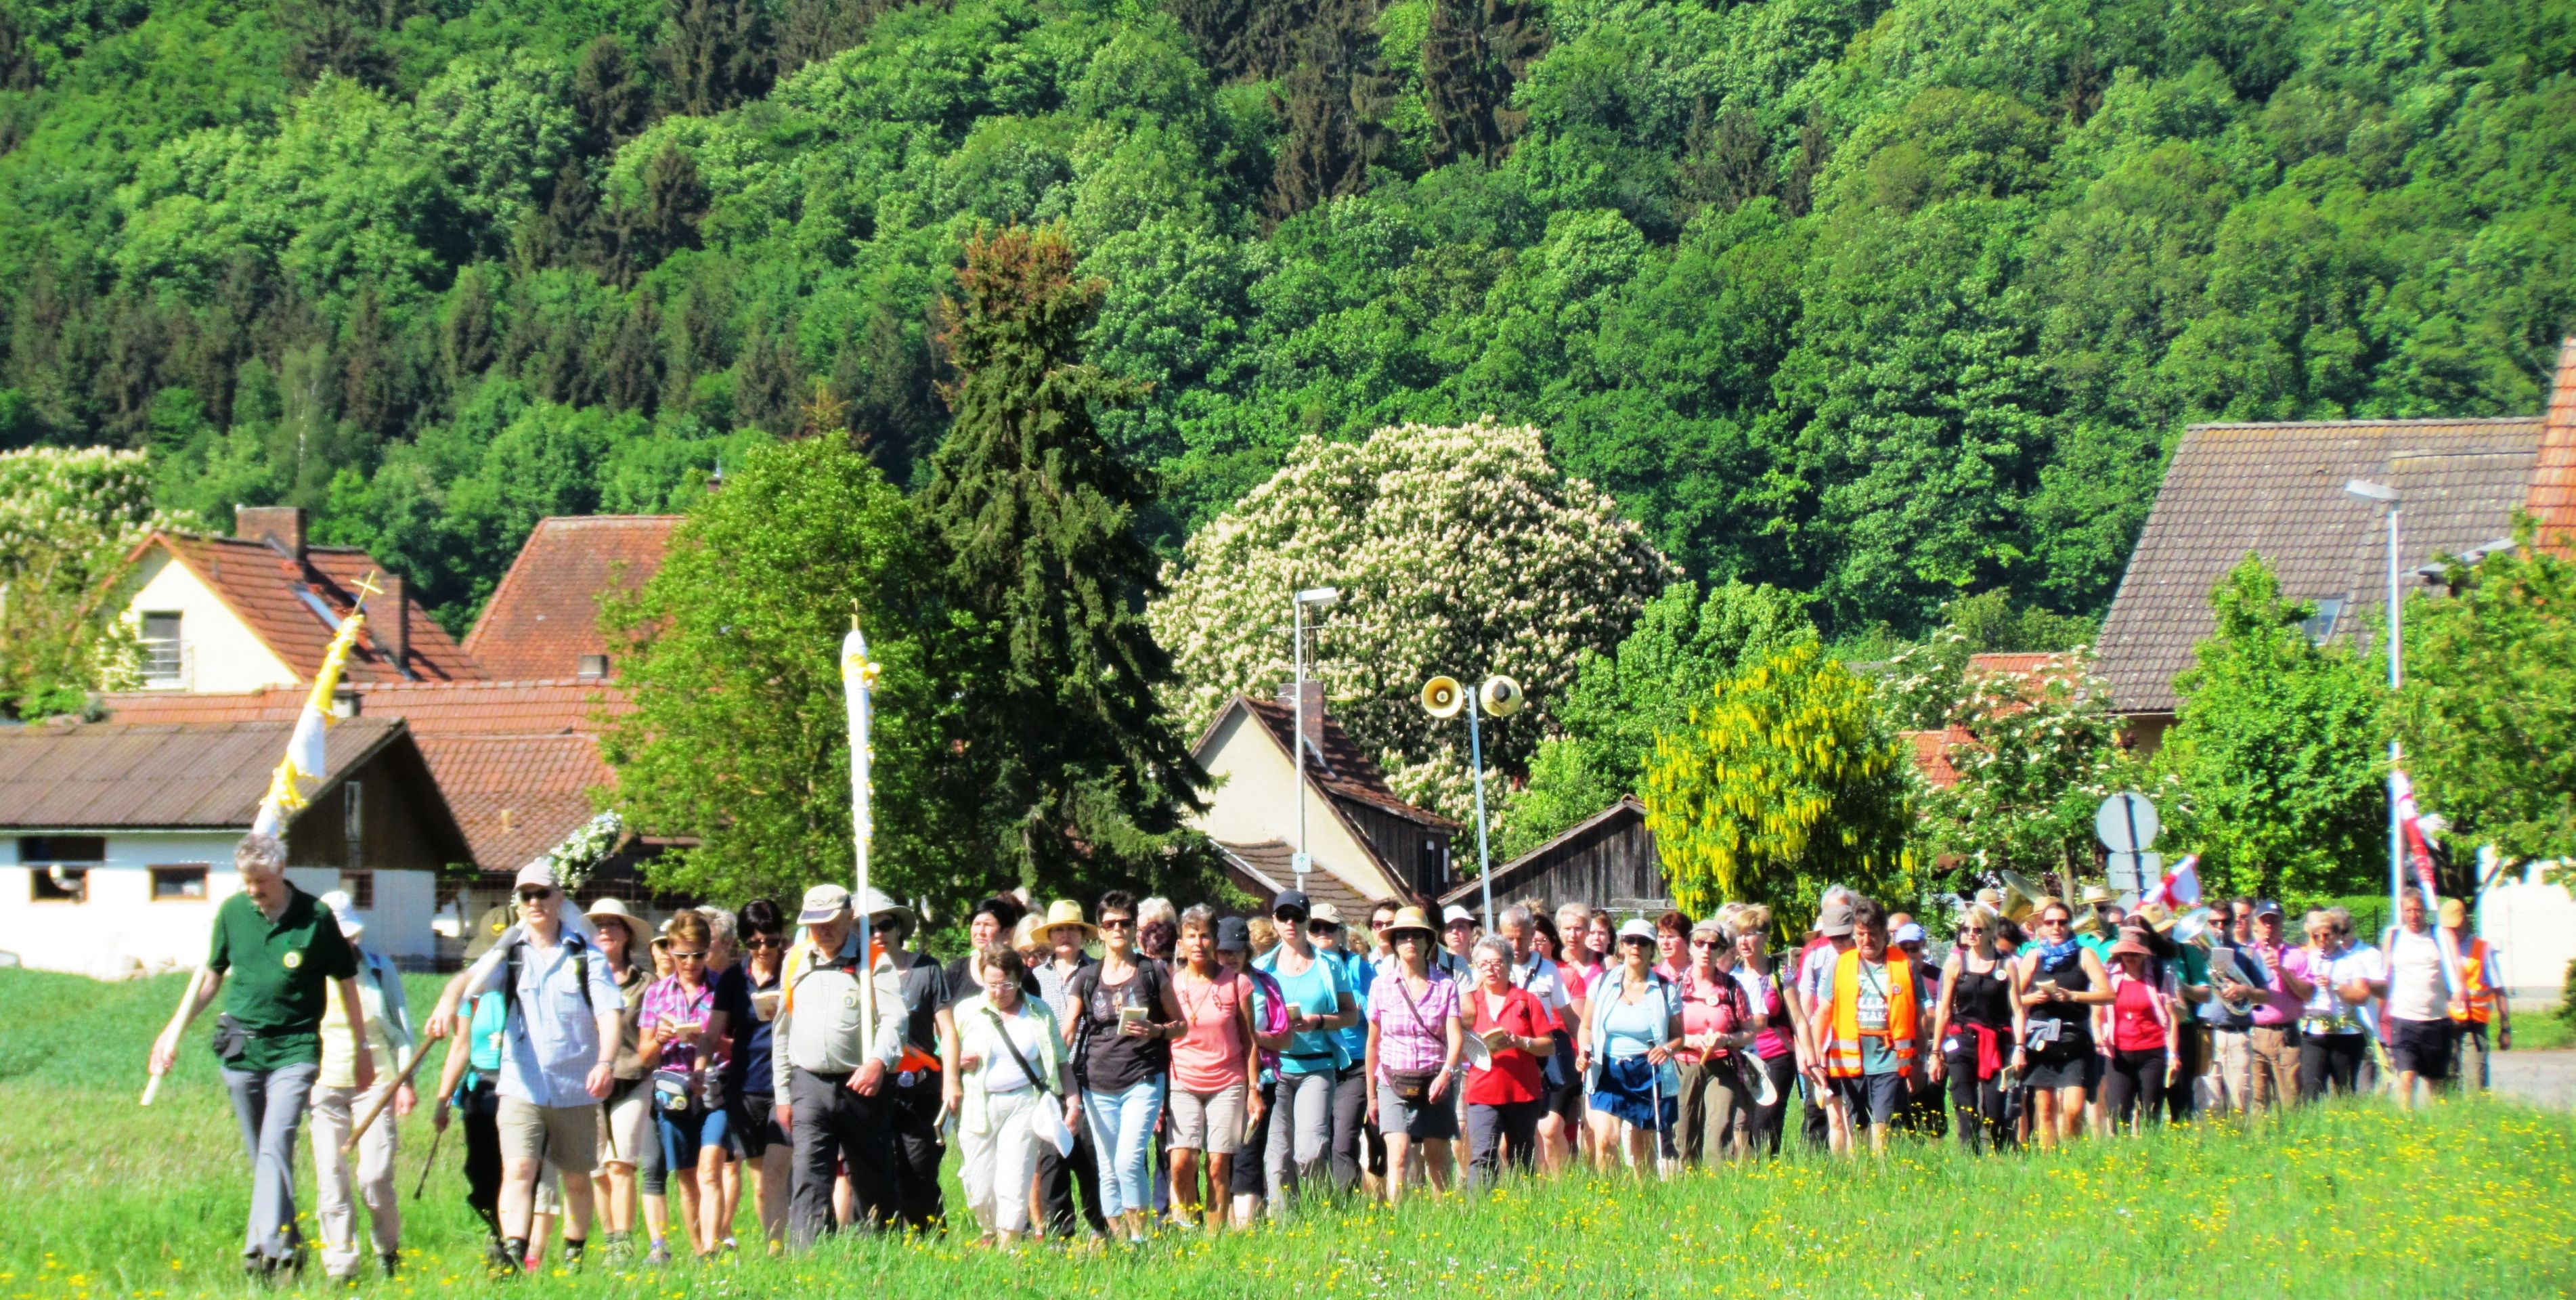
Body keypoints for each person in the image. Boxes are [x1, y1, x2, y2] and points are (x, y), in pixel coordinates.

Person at [147, 834, 370, 1278]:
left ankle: (263, 1252)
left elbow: (347, 983)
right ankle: (289, 1245)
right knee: (262, 1155)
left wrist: (362, 1048)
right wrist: (172, 1032)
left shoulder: (316, 917)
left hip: (295, 1049)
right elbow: (210, 979)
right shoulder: (233, 913)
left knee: (275, 1143)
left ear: (281, 870)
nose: (253, 890)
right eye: (247, 882)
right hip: (241, 1047)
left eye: (261, 882)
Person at [453, 862, 626, 1272]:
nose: (534, 902)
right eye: (526, 895)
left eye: (542, 894)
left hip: (575, 1085)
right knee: (518, 1168)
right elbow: (469, 980)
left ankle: (574, 1253)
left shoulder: (585, 955)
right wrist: (446, 1005)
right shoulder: (509, 954)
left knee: (577, 1177)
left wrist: (605, 1062)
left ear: (558, 898)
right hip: (521, 1084)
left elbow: (609, 1014)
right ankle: (514, 1253)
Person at [772, 884, 907, 1247]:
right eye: (814, 923)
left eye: (830, 922)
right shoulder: (795, 960)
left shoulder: (873, 960)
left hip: (861, 1084)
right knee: (808, 1172)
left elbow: (895, 1019)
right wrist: (783, 1094)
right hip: (808, 1083)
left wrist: (878, 1061)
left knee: (872, 1174)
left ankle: (883, 1250)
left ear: (850, 918)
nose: (822, 930)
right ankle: (809, 1255)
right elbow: (782, 1030)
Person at [1064, 890, 1185, 1245]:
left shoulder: (1152, 972)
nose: (1117, 929)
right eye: (1110, 924)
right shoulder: (1086, 977)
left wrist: (1155, 1030)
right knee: (1107, 1166)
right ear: (1100, 931)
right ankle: (1119, 1242)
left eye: (1124, 923)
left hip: (1142, 1079)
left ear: (1135, 929)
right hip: (1097, 1082)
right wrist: (1054, 1067)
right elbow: (1068, 1031)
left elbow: (1181, 1026)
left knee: (1129, 1160)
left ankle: (1139, 1238)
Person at [306, 891, 414, 1282]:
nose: (346, 942)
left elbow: (402, 1030)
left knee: (374, 1176)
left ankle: (388, 1250)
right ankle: (341, 1268)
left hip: (376, 1085)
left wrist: (405, 1081)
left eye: (349, 935)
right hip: (324, 1086)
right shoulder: (307, 973)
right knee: (331, 1178)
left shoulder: (379, 970)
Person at [955, 943, 1073, 1249]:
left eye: (1006, 984)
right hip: (978, 1104)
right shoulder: (966, 1011)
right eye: (992, 984)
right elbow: (942, 1050)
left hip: (1024, 1102)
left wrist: (1073, 1102)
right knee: (979, 1186)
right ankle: (990, 1231)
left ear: (1019, 979)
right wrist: (956, 1060)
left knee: (1015, 1178)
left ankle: (1009, 1245)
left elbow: (1062, 1061)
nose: (999, 992)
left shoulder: (1039, 1011)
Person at [1256, 889, 1358, 1219]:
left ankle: (1320, 1211)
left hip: (1317, 1068)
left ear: (1307, 921)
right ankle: (1284, 1224)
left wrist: (1319, 1022)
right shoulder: (1261, 968)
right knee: (1277, 1158)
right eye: (1284, 916)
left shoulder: (1330, 965)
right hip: (1275, 1070)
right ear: (1274, 921)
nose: (1291, 923)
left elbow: (1351, 1015)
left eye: (1298, 917)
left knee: (1310, 1152)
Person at [635, 911, 727, 1258]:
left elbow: (739, 1046)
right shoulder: (657, 994)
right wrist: (660, 1038)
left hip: (715, 1089)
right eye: (682, 955)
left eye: (699, 955)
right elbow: (645, 1056)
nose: (691, 963)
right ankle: (700, 1251)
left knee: (710, 1171)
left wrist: (711, 1039)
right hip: (673, 1092)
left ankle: (711, 1247)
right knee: (687, 1179)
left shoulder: (723, 988)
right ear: (670, 951)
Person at [1167, 905, 1264, 1230]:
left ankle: (1214, 1237)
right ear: (1181, 942)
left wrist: (1254, 1089)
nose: (1198, 943)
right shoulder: (1171, 984)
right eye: (1191, 936)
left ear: (1215, 941)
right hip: (1182, 1080)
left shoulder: (1236, 983)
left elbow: (1250, 1041)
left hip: (1228, 1081)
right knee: (1181, 1161)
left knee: (1218, 1163)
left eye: (1205, 936)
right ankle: (1189, 1221)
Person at [1363, 906, 1463, 1204]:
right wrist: (1371, 1095)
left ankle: (1442, 1218)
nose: (1410, 941)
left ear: (1428, 941)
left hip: (1435, 1079)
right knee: (1398, 1154)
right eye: (1403, 936)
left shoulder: (1446, 986)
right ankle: (1399, 1218)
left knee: (1437, 1157)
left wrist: (1446, 1074)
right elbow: (1373, 1043)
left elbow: (1455, 1037)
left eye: (1417, 935)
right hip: (1392, 1079)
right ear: (1394, 942)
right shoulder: (1381, 986)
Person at [871, 899, 955, 1234]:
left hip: (921, 1086)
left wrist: (952, 1081)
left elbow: (947, 1030)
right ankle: (884, 1241)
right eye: (869, 928)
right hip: (875, 1085)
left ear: (898, 929)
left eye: (885, 926)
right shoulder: (860, 973)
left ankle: (930, 1239)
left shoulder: (926, 969)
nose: (878, 934)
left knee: (919, 1169)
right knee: (879, 1168)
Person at [1812, 898, 1920, 1155]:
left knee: (1882, 1123)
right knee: (1857, 1124)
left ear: (1885, 934)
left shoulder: (1904, 964)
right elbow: (1824, 1011)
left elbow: (1918, 1014)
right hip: (1852, 1057)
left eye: (1873, 934)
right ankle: (1859, 1170)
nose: (1866, 940)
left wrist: (1922, 1058)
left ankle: (1882, 1170)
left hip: (1889, 1056)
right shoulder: (1842, 964)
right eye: (1860, 934)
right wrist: (1816, 1056)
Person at [1030, 898, 1109, 1241]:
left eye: (1072, 929)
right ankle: (1060, 1236)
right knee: (1052, 1159)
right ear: (1049, 936)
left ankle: (1102, 1228)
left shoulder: (1099, 972)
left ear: (1082, 934)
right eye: (1058, 930)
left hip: (1091, 1077)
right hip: (1049, 1082)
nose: (1065, 936)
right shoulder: (1034, 978)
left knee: (1092, 1158)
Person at [1583, 919, 1681, 1175]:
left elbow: (1678, 1037)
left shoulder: (1665, 989)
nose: (1636, 947)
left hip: (1646, 1071)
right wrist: (1585, 1051)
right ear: (1621, 946)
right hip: (1607, 1069)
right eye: (1630, 941)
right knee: (1606, 1140)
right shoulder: (1602, 982)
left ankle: (1643, 1196)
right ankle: (1610, 1193)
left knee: (1643, 1153)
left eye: (1643, 942)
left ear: (1652, 949)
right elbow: (1586, 1026)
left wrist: (1667, 1049)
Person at [2011, 899, 2111, 1150]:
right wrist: (2034, 998)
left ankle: (2073, 1156)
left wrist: (2073, 996)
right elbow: (2012, 997)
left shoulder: (2084, 954)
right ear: (2042, 926)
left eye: (2062, 922)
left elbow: (2109, 995)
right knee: (2045, 1109)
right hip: (2042, 1038)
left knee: (2074, 1109)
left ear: (2070, 925)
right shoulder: (2033, 956)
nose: (2056, 927)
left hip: (2075, 1038)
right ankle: (2049, 1159)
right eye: (2050, 922)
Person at [1461, 934, 1555, 1186]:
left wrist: (1521, 1042)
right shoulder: (1471, 1004)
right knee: (1483, 1156)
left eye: (1497, 962)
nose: (1490, 969)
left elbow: (1548, 1045)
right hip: (1482, 1093)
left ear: (1509, 964)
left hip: (1522, 1093)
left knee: (1522, 1157)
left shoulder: (1526, 1000)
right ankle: (1480, 1206)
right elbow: (1457, 1045)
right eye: (1484, 964)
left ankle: (1523, 1203)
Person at [1929, 905, 2018, 1152]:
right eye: (1966, 929)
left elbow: (2018, 1010)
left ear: (1990, 932)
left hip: (1997, 1041)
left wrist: (2020, 1048)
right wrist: (1936, 1053)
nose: (1971, 934)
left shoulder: (2005, 964)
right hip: (1962, 1039)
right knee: (1965, 1105)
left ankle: (1999, 1156)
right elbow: (1944, 1011)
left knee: (1995, 1111)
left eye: (1977, 930)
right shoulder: (1956, 963)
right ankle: (1969, 1156)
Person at [1497, 905, 1579, 1171]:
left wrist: (1585, 1050)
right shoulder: (1493, 970)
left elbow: (1569, 1017)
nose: (1516, 945)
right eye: (1509, 938)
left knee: (1549, 1129)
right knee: (1508, 1139)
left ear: (1532, 934)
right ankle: (1520, 1185)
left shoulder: (1548, 970)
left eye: (1522, 938)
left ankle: (1559, 1185)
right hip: (1508, 1059)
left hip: (1545, 1054)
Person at [1670, 915, 1753, 1164]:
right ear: (1690, 947)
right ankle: (1686, 1181)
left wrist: (1726, 1039)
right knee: (1684, 1134)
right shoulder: (1673, 987)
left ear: (1721, 951)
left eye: (1713, 945)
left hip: (1722, 1065)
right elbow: (1660, 1032)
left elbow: (1749, 1032)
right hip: (1682, 1065)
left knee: (1719, 1130)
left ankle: (1715, 1181)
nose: (1706, 950)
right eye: (1700, 943)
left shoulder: (1732, 987)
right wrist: (1689, 1040)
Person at [1307, 901, 1375, 1198]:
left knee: (1344, 1139)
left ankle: (1345, 1201)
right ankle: (1318, 1200)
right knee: (1316, 1139)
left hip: (1354, 1064)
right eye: (1316, 927)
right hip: (1317, 1062)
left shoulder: (1358, 966)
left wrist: (1359, 1006)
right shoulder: (1300, 966)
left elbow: (1376, 1011)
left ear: (1341, 933)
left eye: (1330, 927)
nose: (1323, 932)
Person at [1224, 917, 1288, 1228]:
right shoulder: (1207, 984)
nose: (1231, 958)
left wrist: (1250, 1036)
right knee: (1221, 1156)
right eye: (1224, 951)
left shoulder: (1266, 984)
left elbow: (1285, 1037)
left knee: (1249, 1152)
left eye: (1237, 951)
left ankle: (1245, 1228)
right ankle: (1223, 1226)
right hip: (1217, 1078)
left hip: (1261, 1079)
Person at [1726, 905, 1797, 1157]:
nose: (1744, 941)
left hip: (1777, 1054)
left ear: (1765, 937)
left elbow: (1798, 1019)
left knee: (1766, 1119)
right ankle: (1742, 1166)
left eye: (1750, 934)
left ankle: (1770, 1163)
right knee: (1740, 1120)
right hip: (1742, 1056)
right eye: (1740, 935)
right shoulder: (1730, 974)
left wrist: (1806, 1056)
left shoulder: (1780, 972)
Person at [1791, 892, 1858, 1152]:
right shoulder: (1814, 954)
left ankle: (1863, 1167)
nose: (1839, 941)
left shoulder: (1864, 953)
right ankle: (1838, 1167)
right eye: (1834, 936)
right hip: (1824, 1043)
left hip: (1856, 1040)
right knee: (1832, 1115)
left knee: (1856, 1116)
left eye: (1844, 935)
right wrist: (1804, 1052)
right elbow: (1804, 1009)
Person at [2376, 886, 2454, 1108]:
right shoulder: (2394, 937)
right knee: (2406, 1077)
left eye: (2418, 910)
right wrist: (2380, 1017)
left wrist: (2456, 995)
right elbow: (2385, 979)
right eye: (2408, 910)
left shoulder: (2439, 936)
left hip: (2435, 1019)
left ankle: (2432, 1121)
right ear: (2402, 912)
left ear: (2425, 911)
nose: (2414, 915)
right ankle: (2406, 1120)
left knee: (2433, 1082)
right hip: (2404, 1018)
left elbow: (2454, 972)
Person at [2195, 897, 2271, 1117]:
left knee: (2240, 1101)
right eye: (2214, 922)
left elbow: (2267, 996)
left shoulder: (2247, 954)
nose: (2220, 927)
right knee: (2208, 1105)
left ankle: (2241, 1135)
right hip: (2206, 1033)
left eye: (2225, 922)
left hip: (2237, 1033)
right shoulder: (2196, 955)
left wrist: (2244, 990)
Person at [2098, 929, 2178, 1133]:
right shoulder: (2109, 976)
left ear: (2144, 954)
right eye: (2125, 953)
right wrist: (2099, 1035)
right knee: (2118, 1111)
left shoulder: (2160, 976)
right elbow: (2097, 1013)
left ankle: (2150, 1148)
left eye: (2134, 953)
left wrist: (2173, 1055)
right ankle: (2120, 1150)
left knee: (2151, 1111)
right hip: (2119, 1053)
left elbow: (2172, 1019)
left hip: (2153, 1052)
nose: (2129, 958)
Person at [2297, 909, 2381, 1101]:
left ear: (2337, 935)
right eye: (2316, 936)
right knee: (2311, 1090)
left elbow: (2362, 996)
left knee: (2345, 1092)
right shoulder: (2307, 960)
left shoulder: (2352, 961)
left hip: (2345, 1033)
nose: (2322, 940)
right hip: (2314, 1032)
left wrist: (2335, 986)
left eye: (2327, 935)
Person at [2247, 899, 2313, 1113]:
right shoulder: (2247, 954)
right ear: (2256, 924)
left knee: (2290, 1097)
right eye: (2265, 921)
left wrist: (2282, 970)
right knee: (2257, 1099)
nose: (2269, 926)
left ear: (2282, 923)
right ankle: (2259, 1133)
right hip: (2255, 1032)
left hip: (2285, 1035)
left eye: (2274, 921)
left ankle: (2293, 1131)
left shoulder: (2296, 955)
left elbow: (2307, 994)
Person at [2443, 898, 2509, 1090]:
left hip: (2474, 1025)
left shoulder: (2482, 949)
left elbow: (2499, 990)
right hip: (2445, 1024)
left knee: (2475, 1083)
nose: (2452, 931)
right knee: (2446, 1083)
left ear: (2465, 920)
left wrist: (2505, 1028)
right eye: (2448, 927)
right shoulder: (2440, 950)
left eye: (2455, 926)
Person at [1439, 907, 1479, 980]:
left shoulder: (1481, 967)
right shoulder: (1437, 967)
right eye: (1449, 927)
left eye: (1461, 927)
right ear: (1442, 934)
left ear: (1472, 932)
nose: (1455, 931)